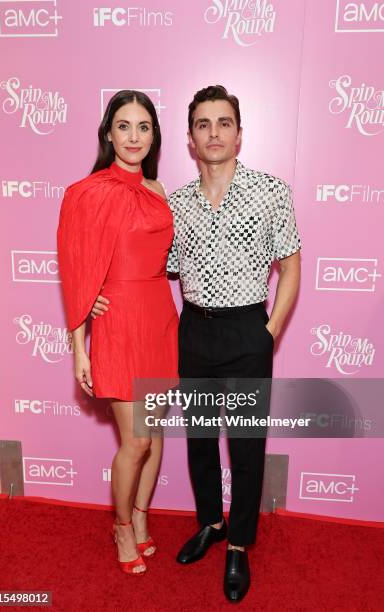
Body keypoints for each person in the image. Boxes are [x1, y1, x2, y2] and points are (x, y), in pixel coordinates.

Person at [91, 84, 301, 601]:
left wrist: (269, 330)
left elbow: (292, 265)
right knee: (202, 440)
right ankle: (211, 523)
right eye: (203, 124)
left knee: (247, 446)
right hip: (194, 330)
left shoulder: (271, 191)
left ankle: (239, 547)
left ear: (239, 133)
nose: (214, 133)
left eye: (223, 123)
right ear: (189, 138)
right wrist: (96, 294)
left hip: (249, 328)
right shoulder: (173, 202)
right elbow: (143, 261)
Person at [57, 90, 178, 575]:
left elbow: (166, 260)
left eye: (143, 126)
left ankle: (143, 518)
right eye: (124, 126)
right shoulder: (88, 192)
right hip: (120, 321)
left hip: (158, 316)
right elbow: (78, 267)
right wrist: (79, 344)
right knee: (137, 441)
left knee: (154, 432)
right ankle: (122, 526)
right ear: (108, 133)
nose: (134, 136)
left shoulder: (160, 191)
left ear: (154, 135)